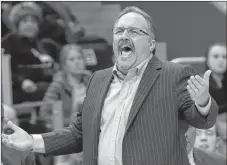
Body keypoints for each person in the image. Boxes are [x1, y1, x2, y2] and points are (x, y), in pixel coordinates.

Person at [2, 6, 219, 165]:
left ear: (151, 45)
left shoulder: (174, 74)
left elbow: (201, 119)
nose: (125, 35)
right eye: (119, 31)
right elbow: (79, 134)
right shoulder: (98, 79)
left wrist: (203, 103)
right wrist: (32, 141)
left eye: (134, 31)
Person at [1, 2, 55, 104]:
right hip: (16, 88)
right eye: (25, 21)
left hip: (43, 86)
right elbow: (5, 69)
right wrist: (22, 81)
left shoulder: (43, 44)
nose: (29, 25)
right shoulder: (10, 41)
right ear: (18, 25)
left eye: (33, 21)